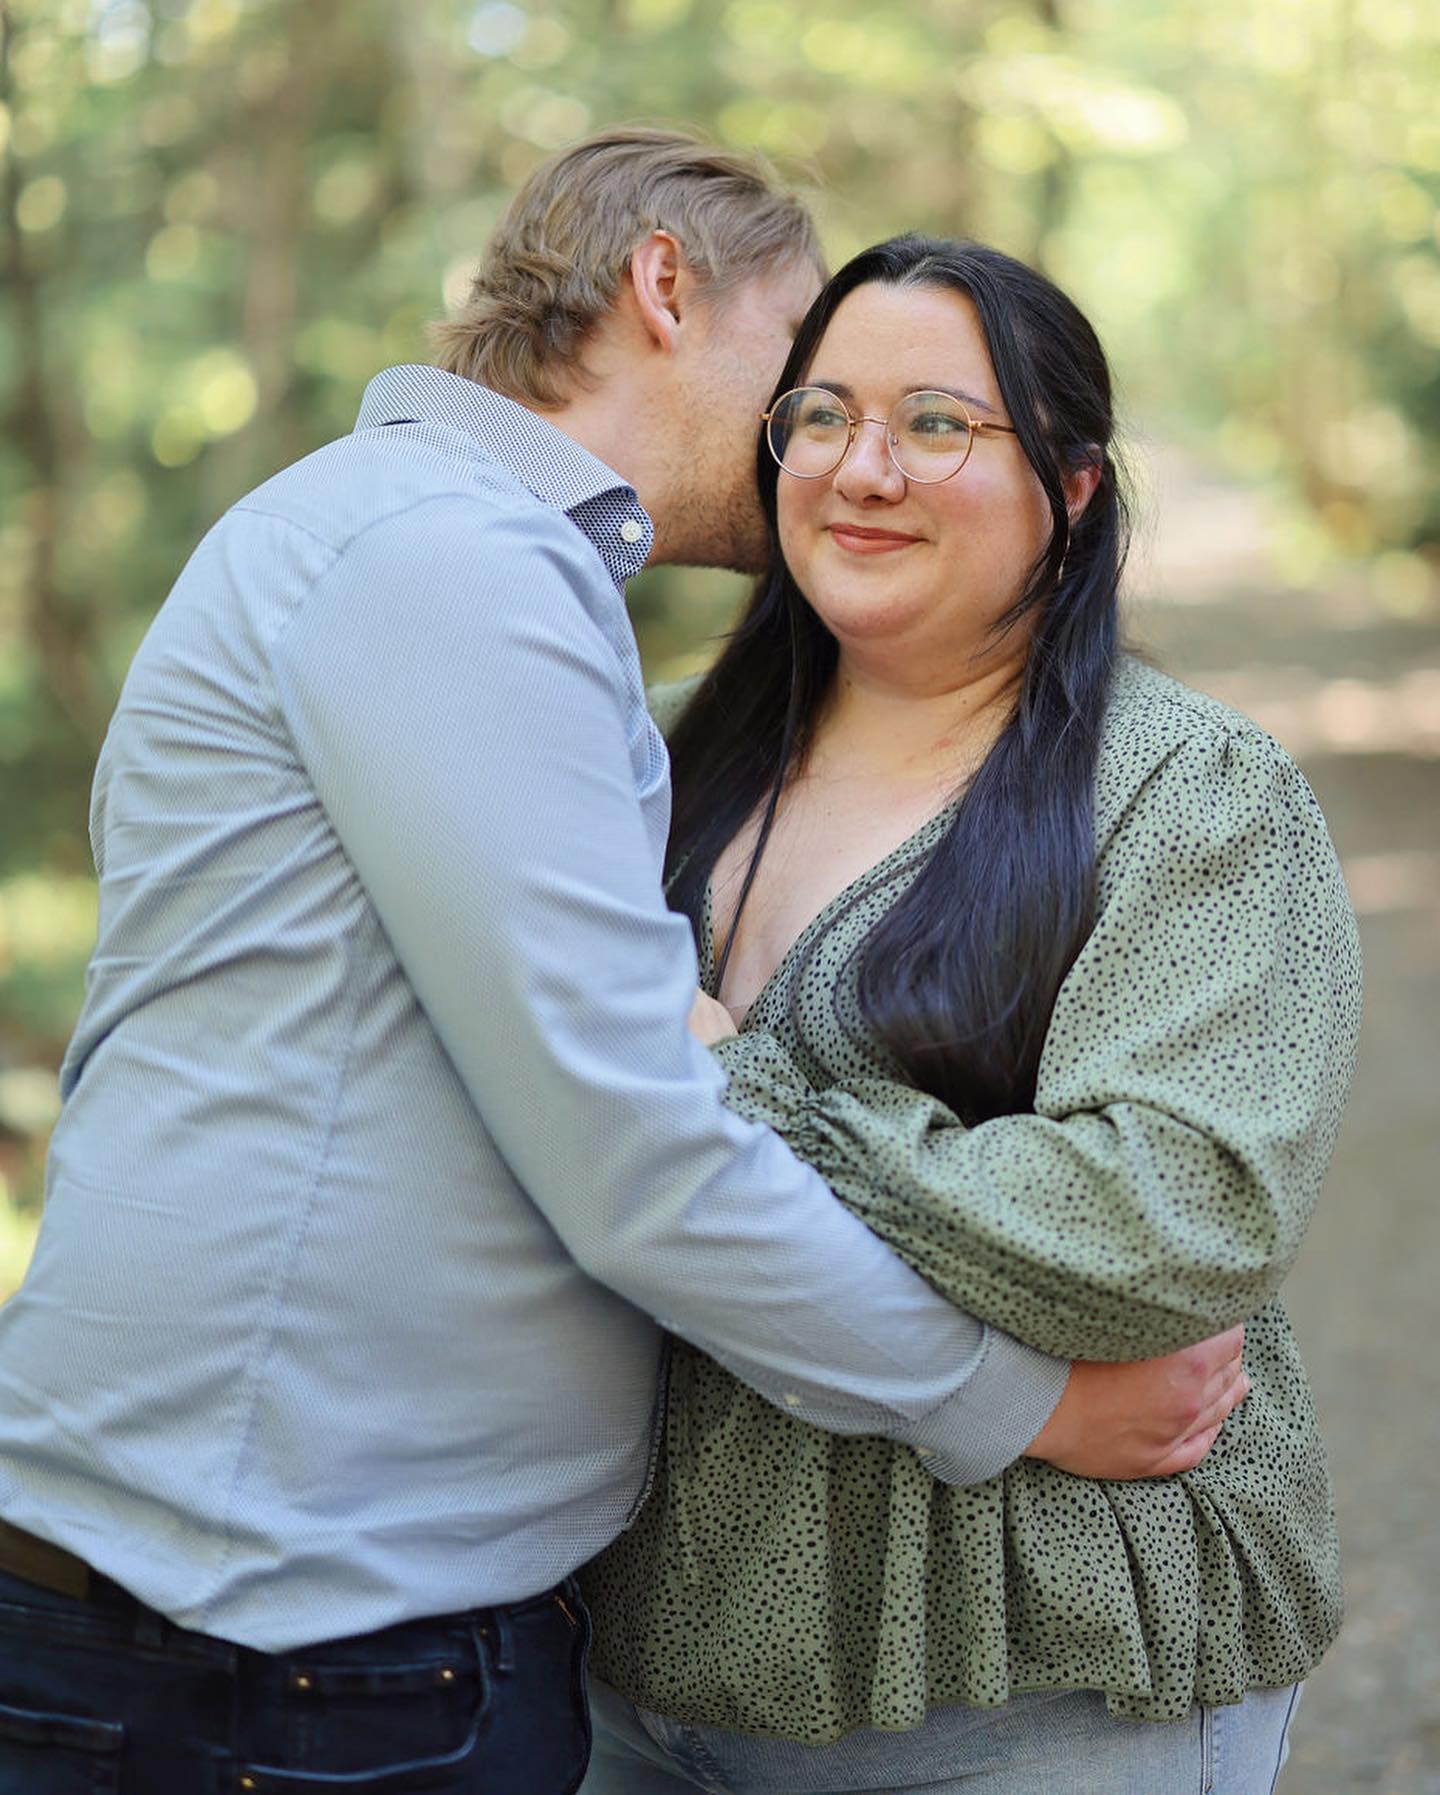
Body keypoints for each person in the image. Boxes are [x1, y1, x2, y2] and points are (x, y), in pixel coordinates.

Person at [0, 143, 1246, 1794]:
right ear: (667, 289)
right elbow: (634, 1156)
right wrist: (1016, 1402)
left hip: (297, 1631)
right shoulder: (451, 561)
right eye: (801, 360)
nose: (822, 431)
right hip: (285, 1645)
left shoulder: (412, 543)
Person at [580, 235, 1362, 1795]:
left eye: (940, 423)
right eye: (822, 414)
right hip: (626, 1667)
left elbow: (1166, 1224)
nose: (864, 468)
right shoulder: (643, 759)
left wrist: (746, 1094)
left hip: (1032, 1688)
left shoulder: (1185, 795)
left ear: (1069, 493)